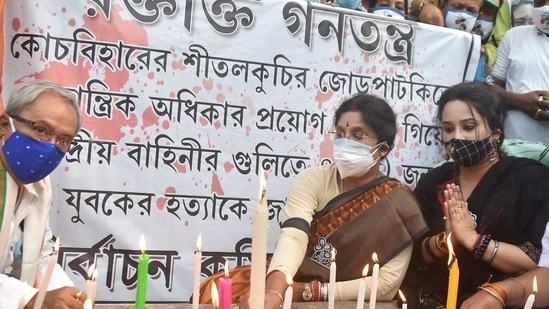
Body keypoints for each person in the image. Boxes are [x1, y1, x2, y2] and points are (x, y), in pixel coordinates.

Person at [233, 93, 428, 309]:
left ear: (383, 148)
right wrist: (272, 292)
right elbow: (293, 237)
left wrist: (310, 292)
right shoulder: (313, 179)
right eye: (340, 133)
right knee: (217, 292)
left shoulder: (398, 203)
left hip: (351, 303)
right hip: (286, 283)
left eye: (358, 135)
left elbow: (386, 284)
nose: (346, 142)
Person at [401, 82, 549, 308]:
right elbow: (416, 253)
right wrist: (446, 240)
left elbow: (538, 260)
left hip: (502, 301)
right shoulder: (435, 181)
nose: (456, 138)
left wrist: (474, 241)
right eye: (448, 129)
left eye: (468, 127)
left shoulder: (529, 179)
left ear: (495, 131)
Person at [0, 80, 86, 308]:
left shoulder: (40, 185)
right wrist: (28, 300)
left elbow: (40, 255)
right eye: (40, 130)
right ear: (4, 126)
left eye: (63, 140)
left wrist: (71, 299)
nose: (51, 146)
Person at [490, 0, 549, 146]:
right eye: (541, 1)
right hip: (515, 148)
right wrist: (518, 100)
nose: (546, 7)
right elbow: (493, 87)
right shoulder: (513, 37)